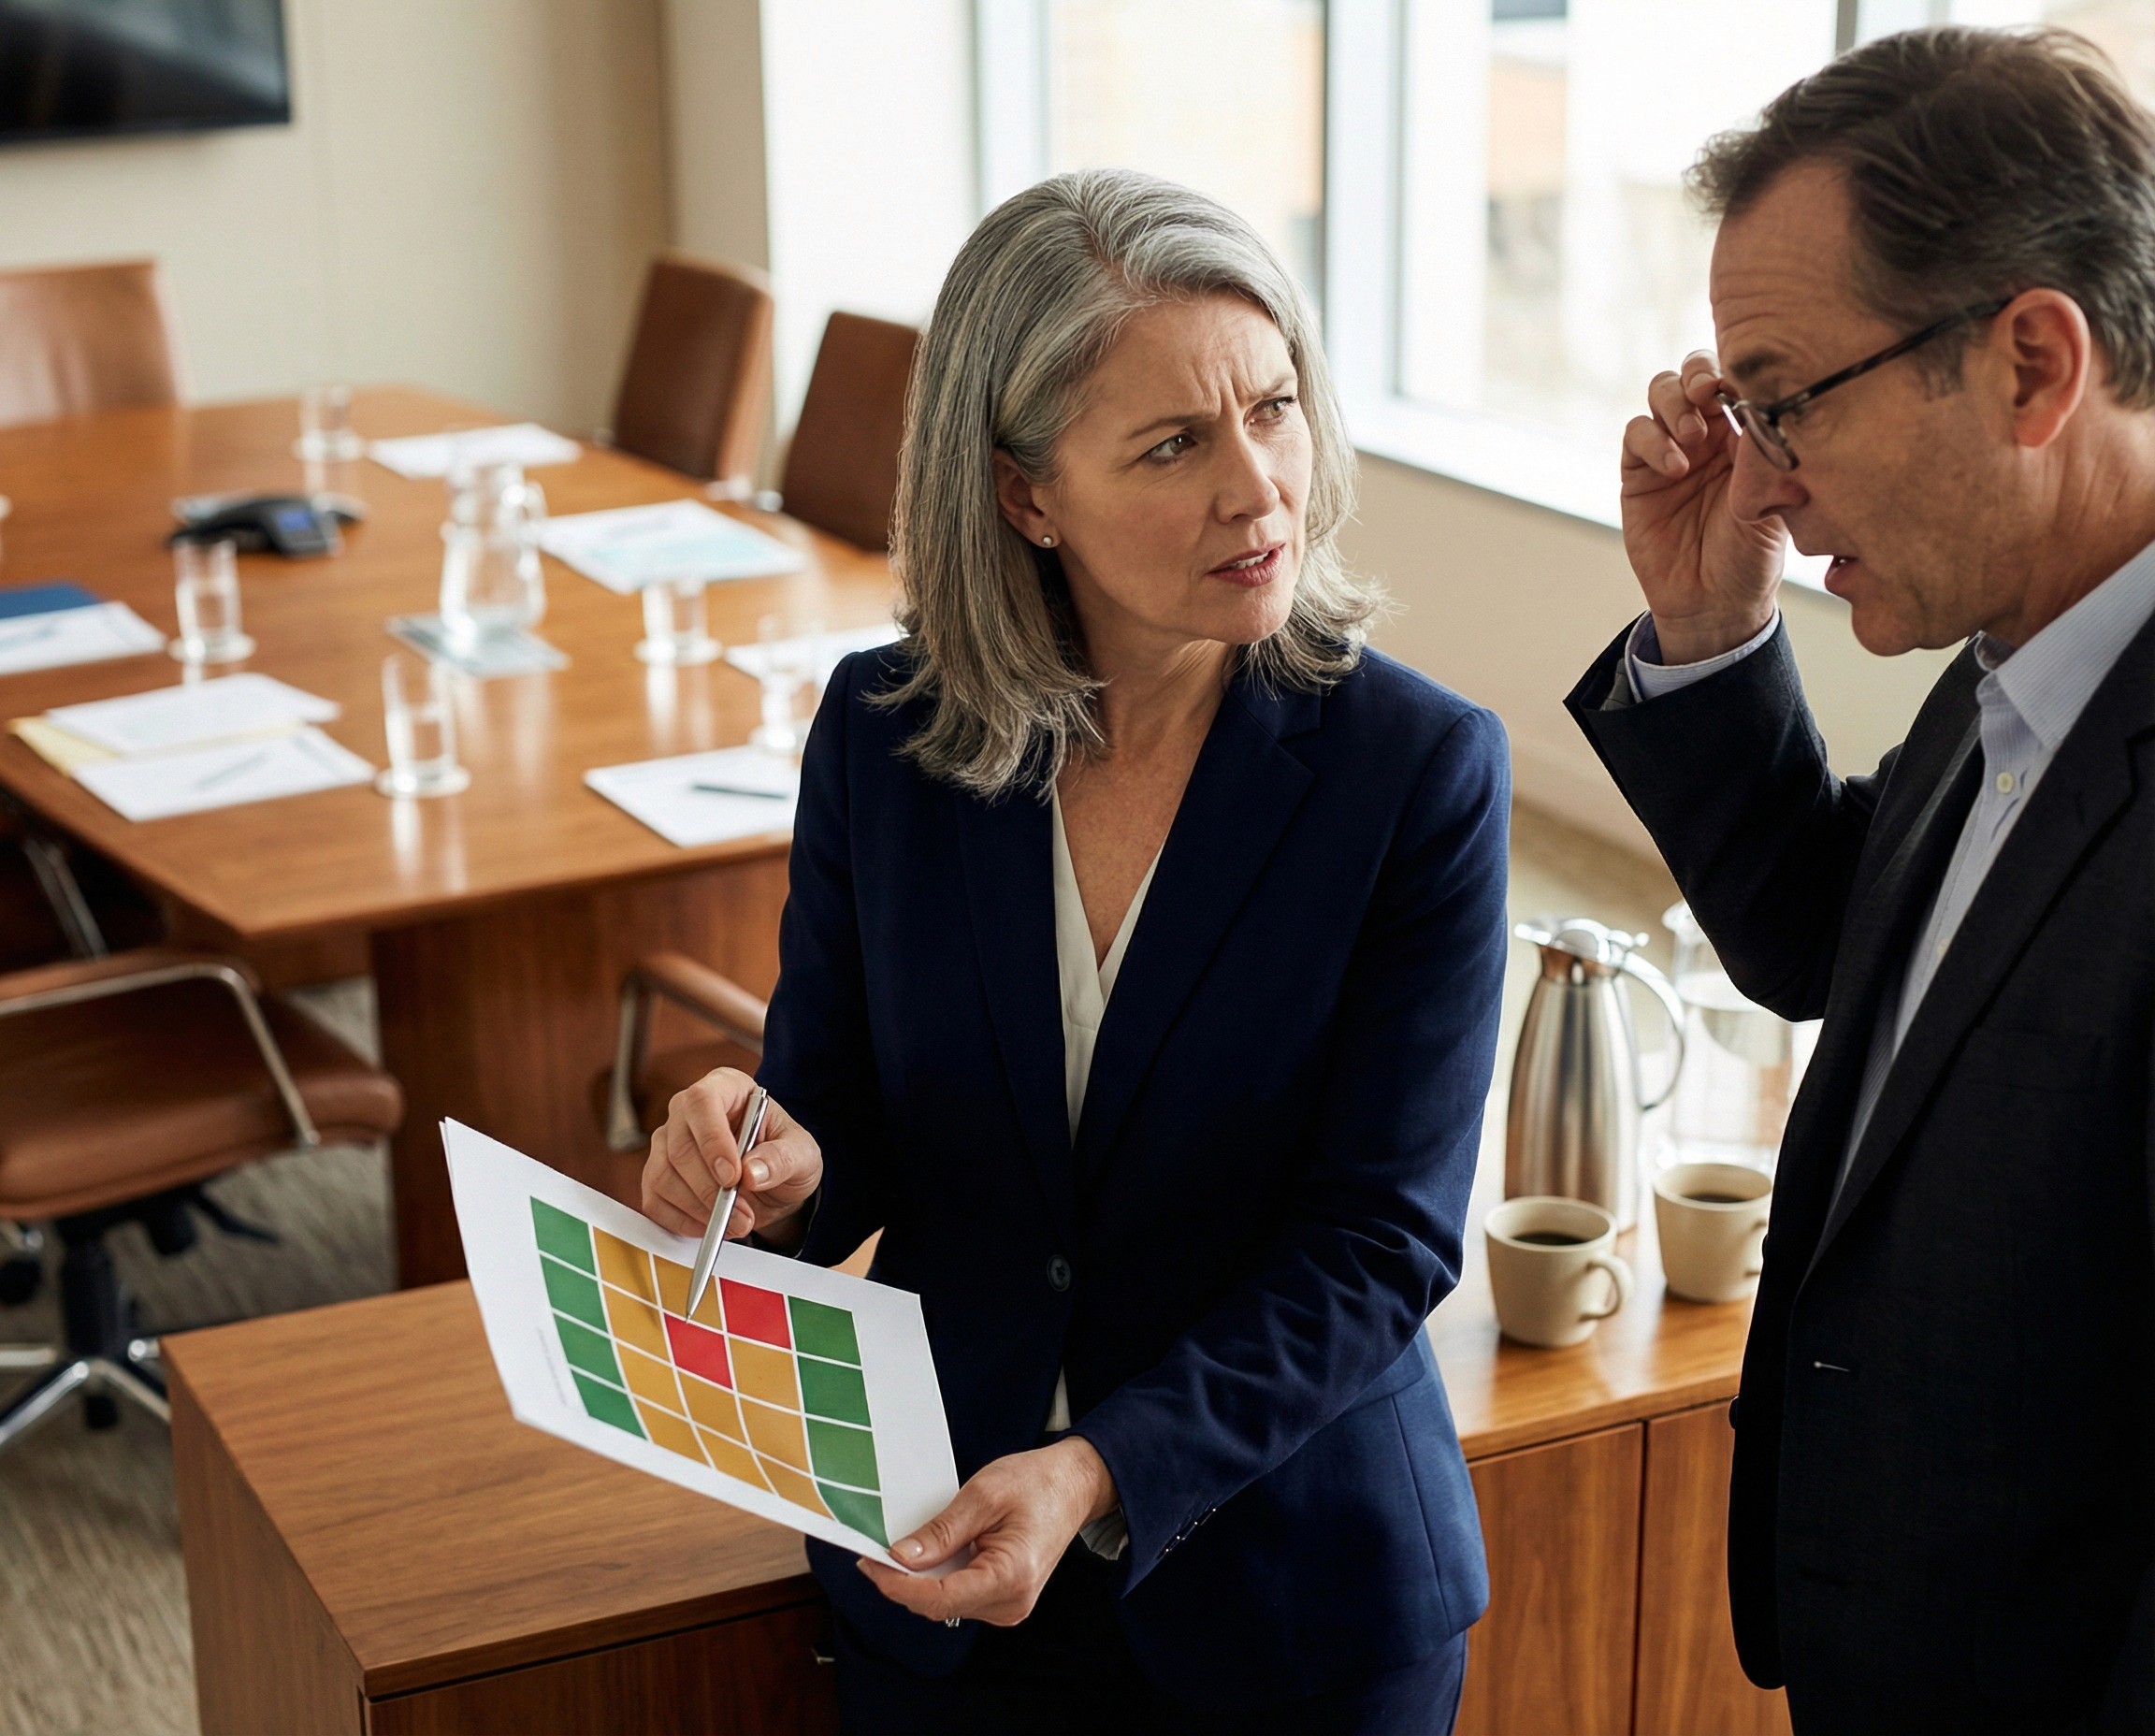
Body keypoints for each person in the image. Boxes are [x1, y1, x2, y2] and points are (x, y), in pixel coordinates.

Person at [640, 168, 1510, 1732]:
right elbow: (838, 1113)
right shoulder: (883, 734)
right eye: (1174, 445)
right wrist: (756, 1164)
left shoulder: (1416, 773)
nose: (1259, 492)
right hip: (943, 1564)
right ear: (1024, 493)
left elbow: (1379, 1242)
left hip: (1292, 1596)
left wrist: (1102, 1467)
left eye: (1275, 408)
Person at [1566, 26, 2155, 1735]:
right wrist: (1710, 624)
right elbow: (1850, 939)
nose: (1760, 467)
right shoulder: (2021, 664)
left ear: (2031, 365)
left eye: (1788, 396)